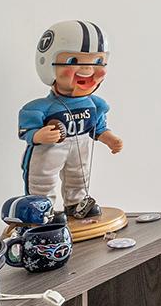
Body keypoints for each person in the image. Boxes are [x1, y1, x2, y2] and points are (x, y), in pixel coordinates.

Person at [19, 21, 123, 217]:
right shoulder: (40, 108)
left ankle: (76, 203)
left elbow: (98, 127)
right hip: (50, 149)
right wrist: (39, 135)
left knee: (79, 175)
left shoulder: (95, 104)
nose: (89, 70)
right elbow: (27, 131)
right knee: (43, 179)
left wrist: (110, 139)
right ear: (48, 63)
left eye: (98, 62)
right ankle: (42, 209)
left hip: (81, 144)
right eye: (74, 61)